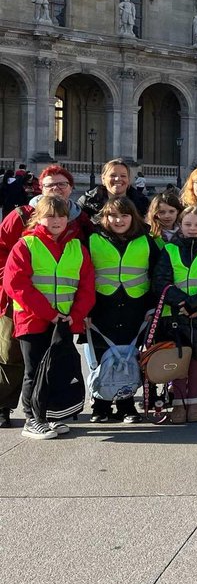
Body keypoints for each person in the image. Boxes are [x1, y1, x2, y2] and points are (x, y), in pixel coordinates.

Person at [0, 166, 89, 428]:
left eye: (62, 184)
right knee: (12, 357)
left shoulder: (79, 222)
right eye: (51, 184)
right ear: (41, 187)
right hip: (22, 305)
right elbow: (5, 255)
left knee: (55, 365)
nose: (57, 189)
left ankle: (52, 413)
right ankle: (12, 409)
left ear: (71, 188)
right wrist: (7, 278)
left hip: (61, 313)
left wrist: (74, 314)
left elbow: (83, 277)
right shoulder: (21, 220)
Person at [86, 196, 158, 423]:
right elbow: (82, 274)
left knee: (128, 358)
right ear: (104, 217)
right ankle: (101, 404)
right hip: (101, 307)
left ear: (132, 217)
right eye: (113, 215)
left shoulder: (146, 239)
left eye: (124, 215)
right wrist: (83, 310)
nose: (118, 220)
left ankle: (127, 404)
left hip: (135, 307)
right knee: (101, 359)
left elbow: (156, 274)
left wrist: (152, 306)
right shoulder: (92, 239)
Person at [152, 205, 197, 424]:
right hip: (174, 314)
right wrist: (183, 303)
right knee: (178, 360)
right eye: (188, 224)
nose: (193, 228)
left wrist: (196, 305)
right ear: (180, 226)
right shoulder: (170, 249)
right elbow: (161, 281)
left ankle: (195, 402)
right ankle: (178, 403)